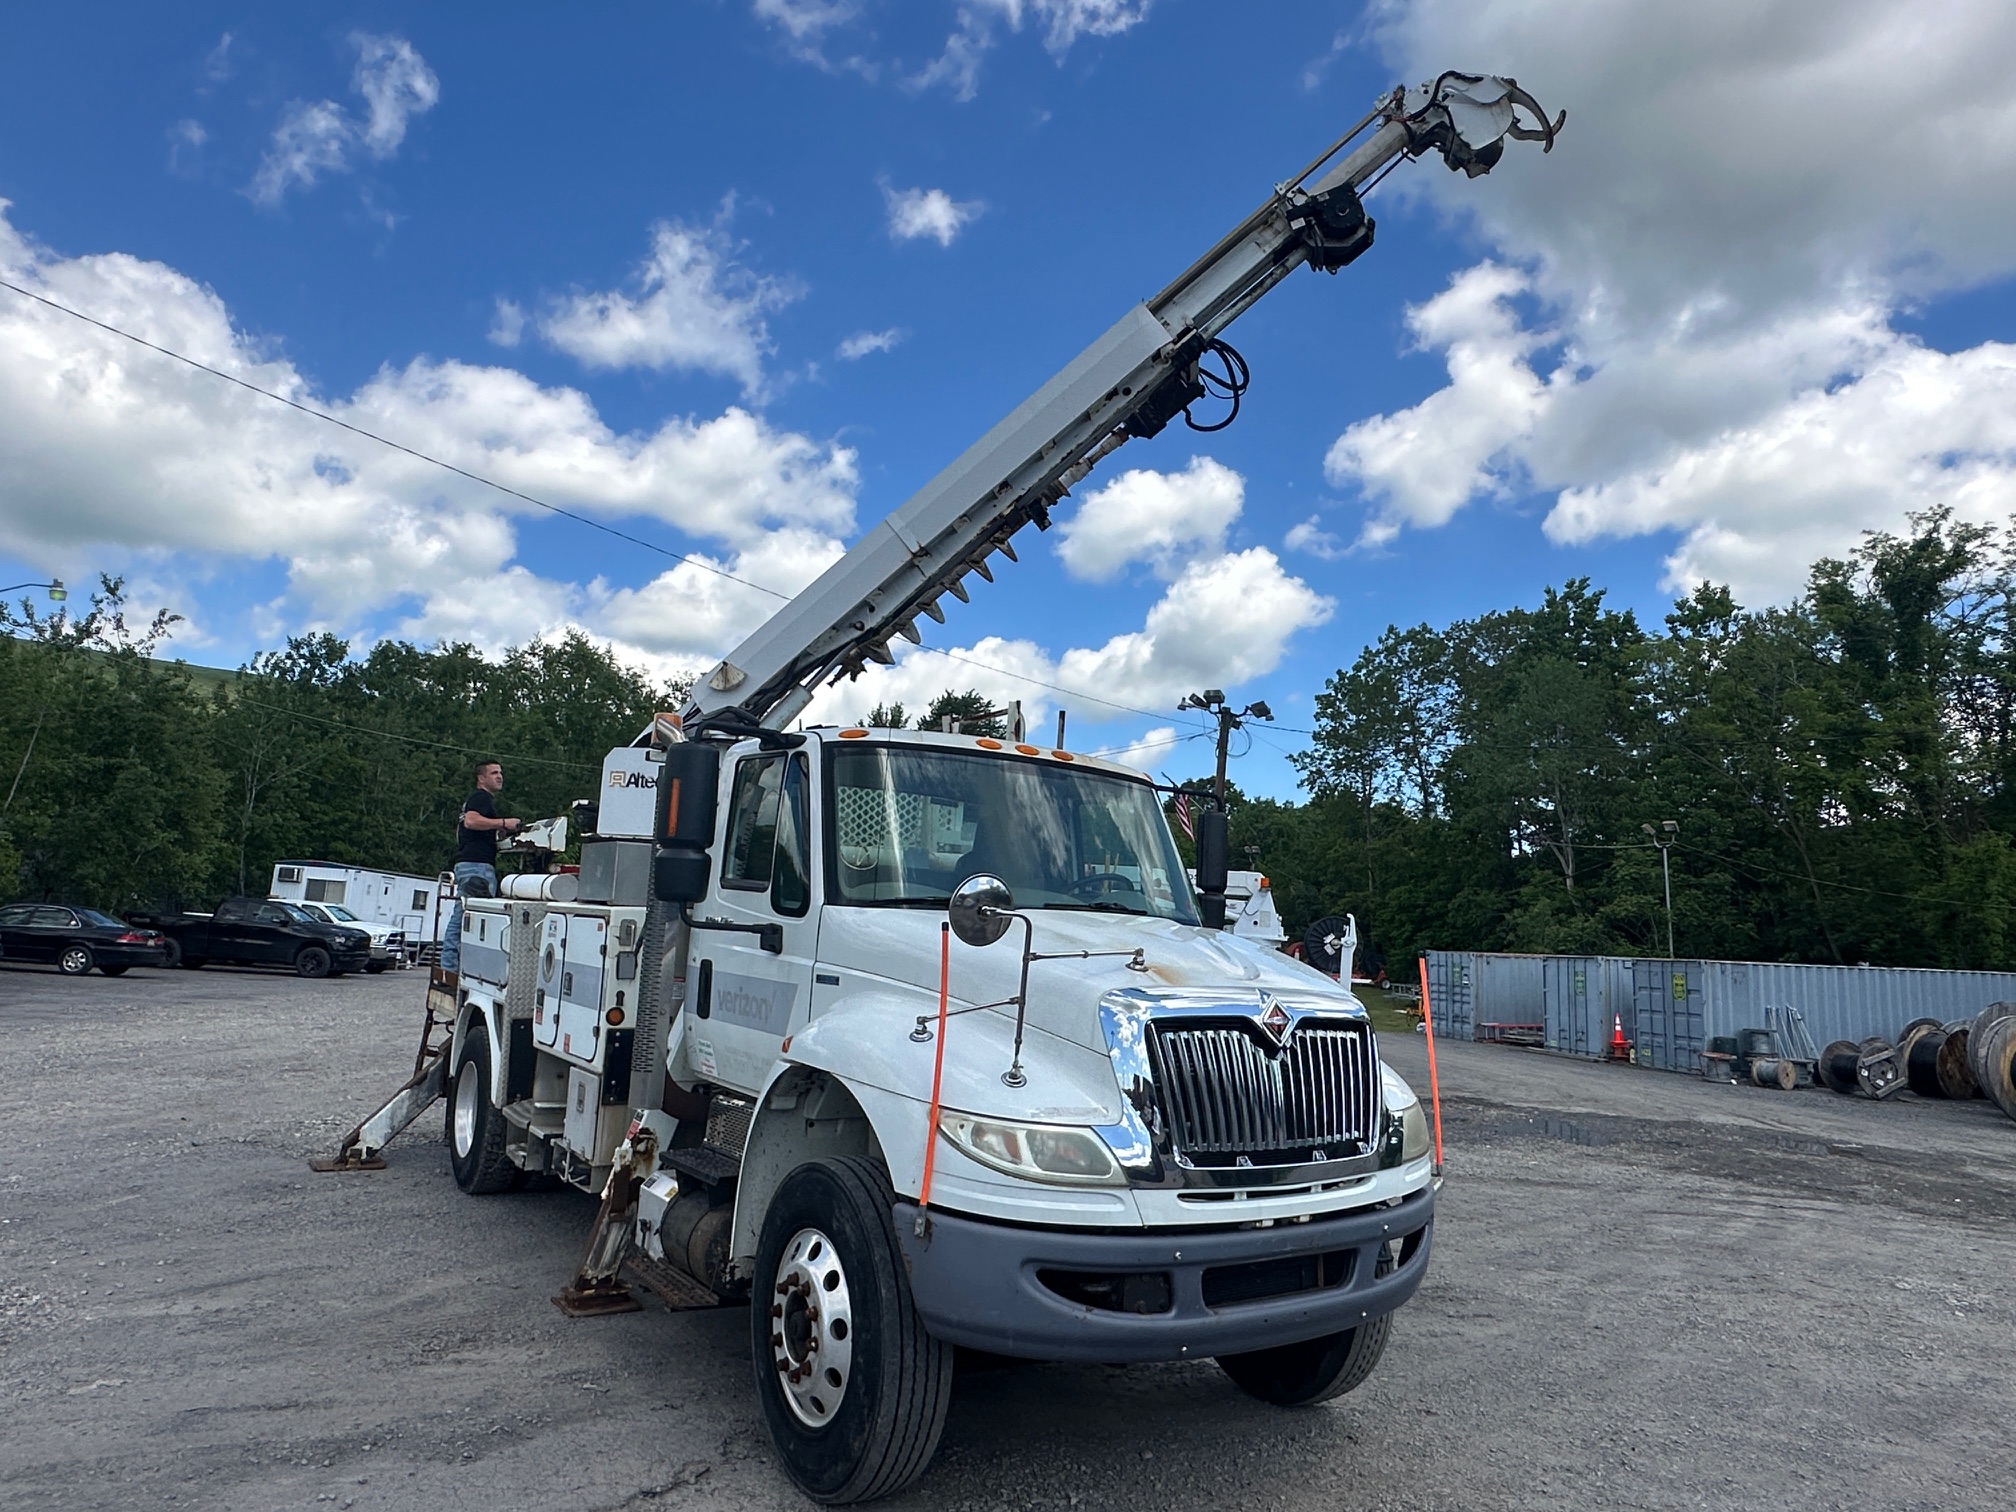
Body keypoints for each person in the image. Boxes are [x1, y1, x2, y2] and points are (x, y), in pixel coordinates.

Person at [441, 759, 520, 975]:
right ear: (481, 778)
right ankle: (452, 970)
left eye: (500, 772)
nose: (499, 776)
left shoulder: (478, 800)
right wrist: (504, 823)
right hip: (477, 866)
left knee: (465, 916)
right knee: (470, 918)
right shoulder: (481, 797)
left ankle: (450, 968)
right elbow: (471, 822)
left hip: (470, 863)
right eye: (494, 772)